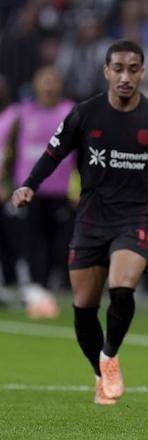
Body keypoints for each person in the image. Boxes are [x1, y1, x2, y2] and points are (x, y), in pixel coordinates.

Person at [11, 40, 148, 405]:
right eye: (118, 69)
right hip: (92, 219)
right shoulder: (85, 114)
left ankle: (109, 354)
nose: (125, 77)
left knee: (122, 289)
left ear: (142, 73)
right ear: (107, 71)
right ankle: (100, 372)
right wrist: (29, 185)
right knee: (84, 308)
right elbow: (53, 153)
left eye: (133, 70)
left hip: (138, 217)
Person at [0, 66, 75, 319]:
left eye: (53, 81)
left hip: (62, 192)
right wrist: (4, 182)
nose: (49, 86)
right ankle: (33, 291)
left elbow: (84, 151)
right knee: (32, 243)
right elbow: (7, 150)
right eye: (44, 81)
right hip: (29, 192)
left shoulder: (70, 113)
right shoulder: (21, 114)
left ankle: (44, 289)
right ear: (35, 84)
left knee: (59, 246)